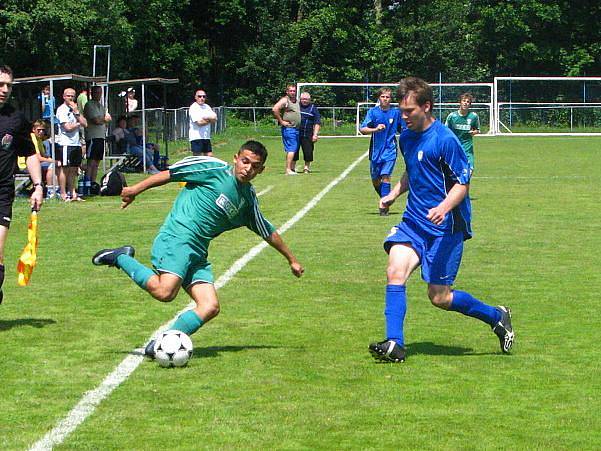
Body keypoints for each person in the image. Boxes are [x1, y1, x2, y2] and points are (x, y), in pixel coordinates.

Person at [92, 140, 304, 356]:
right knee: (165, 292)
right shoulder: (212, 168)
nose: (248, 169)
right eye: (245, 161)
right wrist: (135, 189)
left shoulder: (247, 199)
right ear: (236, 158)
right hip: (178, 236)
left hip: (198, 250)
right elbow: (170, 174)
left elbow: (267, 230)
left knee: (210, 306)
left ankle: (164, 341)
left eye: (255, 166)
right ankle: (121, 258)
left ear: (261, 170)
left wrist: (291, 259)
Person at [368, 77, 514, 363]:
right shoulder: (407, 136)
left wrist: (444, 207)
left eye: (409, 111)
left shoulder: (445, 139)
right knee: (394, 271)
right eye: (401, 110)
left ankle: (497, 316)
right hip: (414, 221)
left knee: (439, 297)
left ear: (426, 106)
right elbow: (413, 169)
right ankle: (395, 343)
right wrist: (394, 194)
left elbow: (463, 183)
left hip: (447, 227)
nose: (403, 116)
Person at [0, 65, 44, 304]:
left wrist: (38, 186)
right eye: (0, 84)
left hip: (2, 195)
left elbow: (30, 154)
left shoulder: (16, 119)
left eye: (8, 85)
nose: (4, 89)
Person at [359, 87, 404, 216]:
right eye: (383, 96)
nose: (385, 99)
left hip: (390, 150)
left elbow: (404, 130)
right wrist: (375, 129)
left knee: (386, 176)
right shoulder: (373, 112)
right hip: (375, 152)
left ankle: (383, 206)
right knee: (375, 180)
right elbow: (363, 129)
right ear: (379, 98)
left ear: (391, 99)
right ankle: (387, 197)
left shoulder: (396, 113)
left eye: (388, 97)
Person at [55, 87, 87, 201]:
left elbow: (85, 123)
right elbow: (67, 127)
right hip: (65, 143)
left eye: (72, 96)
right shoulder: (61, 110)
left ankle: (73, 192)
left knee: (74, 169)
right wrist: (78, 124)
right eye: (68, 96)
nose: (70, 98)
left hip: (76, 143)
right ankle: (63, 193)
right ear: (64, 97)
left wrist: (77, 113)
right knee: (65, 169)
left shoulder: (76, 110)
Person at [445, 93, 480, 174]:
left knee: (469, 171)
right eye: (464, 101)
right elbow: (445, 131)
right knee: (454, 173)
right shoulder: (452, 116)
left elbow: (478, 129)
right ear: (460, 102)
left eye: (468, 102)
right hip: (455, 148)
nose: (465, 103)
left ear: (469, 105)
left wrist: (474, 132)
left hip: (467, 149)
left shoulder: (473, 116)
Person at [83, 86, 112, 185]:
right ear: (92, 93)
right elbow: (96, 120)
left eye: (100, 93)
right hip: (92, 136)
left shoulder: (101, 106)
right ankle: (87, 182)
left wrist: (102, 119)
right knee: (91, 162)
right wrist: (104, 119)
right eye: (96, 92)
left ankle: (93, 183)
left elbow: (104, 120)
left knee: (97, 162)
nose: (98, 95)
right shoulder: (89, 105)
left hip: (101, 136)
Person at [272, 84, 300, 175]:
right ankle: (288, 169)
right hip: (289, 129)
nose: (293, 92)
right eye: (291, 91)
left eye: (294, 91)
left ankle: (291, 168)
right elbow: (275, 109)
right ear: (287, 92)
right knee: (291, 149)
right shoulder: (285, 100)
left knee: (293, 149)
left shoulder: (296, 101)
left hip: (296, 129)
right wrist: (281, 121)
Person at [294, 92, 321, 173]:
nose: (304, 101)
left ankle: (306, 167)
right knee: (294, 151)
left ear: (309, 100)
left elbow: (317, 122)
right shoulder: (296, 106)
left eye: (306, 99)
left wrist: (315, 134)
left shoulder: (313, 108)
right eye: (303, 99)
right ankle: (292, 167)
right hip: (296, 132)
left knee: (308, 151)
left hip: (308, 133)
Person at [188, 89, 217, 156]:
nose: (202, 98)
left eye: (204, 96)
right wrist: (210, 120)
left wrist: (206, 118)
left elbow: (215, 118)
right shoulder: (193, 107)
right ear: (195, 97)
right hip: (196, 137)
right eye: (199, 96)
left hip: (206, 137)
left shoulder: (207, 107)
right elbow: (199, 123)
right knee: (198, 158)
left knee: (209, 156)